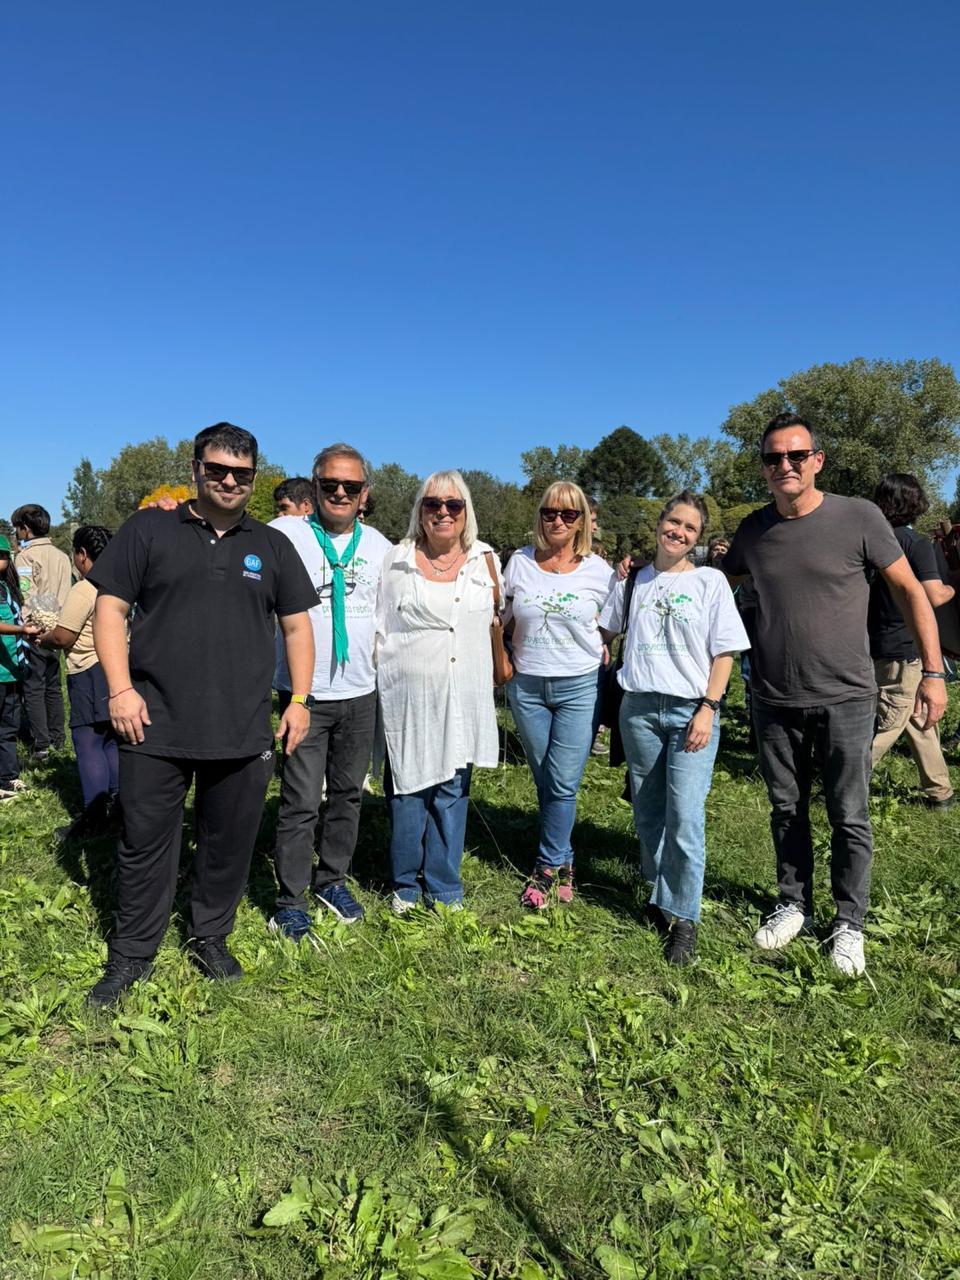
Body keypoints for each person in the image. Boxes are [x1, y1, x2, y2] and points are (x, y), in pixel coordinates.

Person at [84, 422, 318, 1006]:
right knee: (145, 842)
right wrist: (119, 689)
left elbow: (297, 625)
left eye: (241, 473)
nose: (229, 481)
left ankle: (209, 935)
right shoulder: (150, 527)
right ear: (196, 469)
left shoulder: (271, 545)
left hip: (242, 729)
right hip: (152, 720)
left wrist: (298, 701)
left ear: (254, 479)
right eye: (217, 469)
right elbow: (109, 609)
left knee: (229, 842)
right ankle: (133, 953)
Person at [721, 413, 946, 976]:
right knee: (786, 809)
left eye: (797, 455)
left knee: (850, 813)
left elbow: (914, 594)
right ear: (764, 467)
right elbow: (718, 588)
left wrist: (935, 674)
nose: (785, 466)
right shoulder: (752, 531)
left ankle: (849, 922)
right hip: (773, 695)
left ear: (817, 460)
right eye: (774, 458)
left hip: (847, 693)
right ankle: (793, 903)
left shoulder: (859, 517)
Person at [599, 493, 748, 964]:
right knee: (648, 812)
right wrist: (615, 578)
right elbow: (606, 631)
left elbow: (725, 651)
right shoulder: (635, 580)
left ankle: (683, 917)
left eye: (690, 528)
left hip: (690, 712)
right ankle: (659, 896)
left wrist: (709, 707)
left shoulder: (710, 582)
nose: (679, 532)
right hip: (638, 709)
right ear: (659, 523)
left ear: (697, 538)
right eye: (673, 522)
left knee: (684, 815)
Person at [268, 444, 391, 939]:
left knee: (347, 795)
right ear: (314, 487)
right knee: (300, 800)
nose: (341, 493)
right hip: (305, 694)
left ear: (365, 494)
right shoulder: (286, 535)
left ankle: (332, 879)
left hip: (361, 691)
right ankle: (288, 898)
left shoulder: (380, 547)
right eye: (330, 485)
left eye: (351, 486)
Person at [376, 471, 501, 912]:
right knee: (409, 789)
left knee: (451, 789)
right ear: (420, 511)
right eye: (433, 504)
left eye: (453, 505)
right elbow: (379, 628)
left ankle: (444, 884)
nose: (443, 512)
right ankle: (406, 883)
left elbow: (502, 618)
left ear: (466, 512)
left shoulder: (486, 560)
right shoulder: (396, 561)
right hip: (408, 695)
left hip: (463, 693)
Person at [503, 482, 615, 907]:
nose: (558, 521)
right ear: (540, 516)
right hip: (527, 683)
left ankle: (546, 867)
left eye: (569, 515)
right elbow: (502, 617)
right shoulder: (519, 563)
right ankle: (567, 858)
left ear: (582, 521)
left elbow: (616, 619)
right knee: (546, 779)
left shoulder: (598, 571)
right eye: (551, 512)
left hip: (579, 684)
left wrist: (601, 641)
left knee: (563, 782)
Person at [868, 474, 954, 809]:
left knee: (919, 717)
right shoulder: (914, 543)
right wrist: (954, 587)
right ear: (916, 504)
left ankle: (939, 791)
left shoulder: (867, 539)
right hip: (903, 648)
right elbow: (932, 595)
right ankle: (842, 783)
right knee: (889, 724)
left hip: (868, 642)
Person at [32, 526, 120, 837]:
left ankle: (93, 818)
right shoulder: (119, 583)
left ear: (82, 555)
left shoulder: (85, 588)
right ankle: (117, 808)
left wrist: (45, 637)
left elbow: (64, 634)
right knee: (110, 740)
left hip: (88, 671)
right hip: (117, 670)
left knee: (88, 743)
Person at [10, 504, 72, 760]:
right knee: (53, 687)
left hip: (35, 629)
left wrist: (27, 626)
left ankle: (41, 744)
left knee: (33, 687)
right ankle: (58, 739)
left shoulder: (25, 557)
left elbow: (27, 594)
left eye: (17, 528)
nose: (16, 533)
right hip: (58, 628)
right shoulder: (61, 556)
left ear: (25, 528)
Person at [0, 534, 41, 801]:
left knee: (8, 726)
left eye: (2, 556)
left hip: (11, 669)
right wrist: (21, 630)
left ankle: (7, 777)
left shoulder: (6, 588)